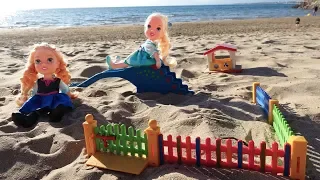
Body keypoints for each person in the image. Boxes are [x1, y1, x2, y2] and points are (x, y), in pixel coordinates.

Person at [12, 43, 77, 128]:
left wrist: (69, 96)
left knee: (60, 105)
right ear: (33, 65)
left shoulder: (58, 81)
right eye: (38, 61)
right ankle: (27, 120)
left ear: (58, 63)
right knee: (35, 109)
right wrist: (30, 99)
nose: (43, 64)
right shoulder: (38, 82)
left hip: (55, 99)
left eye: (50, 60)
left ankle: (55, 115)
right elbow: (34, 93)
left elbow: (65, 90)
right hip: (40, 99)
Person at [105, 12, 176, 70]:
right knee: (128, 60)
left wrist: (157, 60)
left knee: (129, 61)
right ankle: (117, 63)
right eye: (149, 26)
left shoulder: (150, 43)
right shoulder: (151, 41)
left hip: (143, 60)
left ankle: (114, 65)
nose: (152, 30)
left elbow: (153, 52)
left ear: (163, 32)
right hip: (143, 57)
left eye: (158, 28)